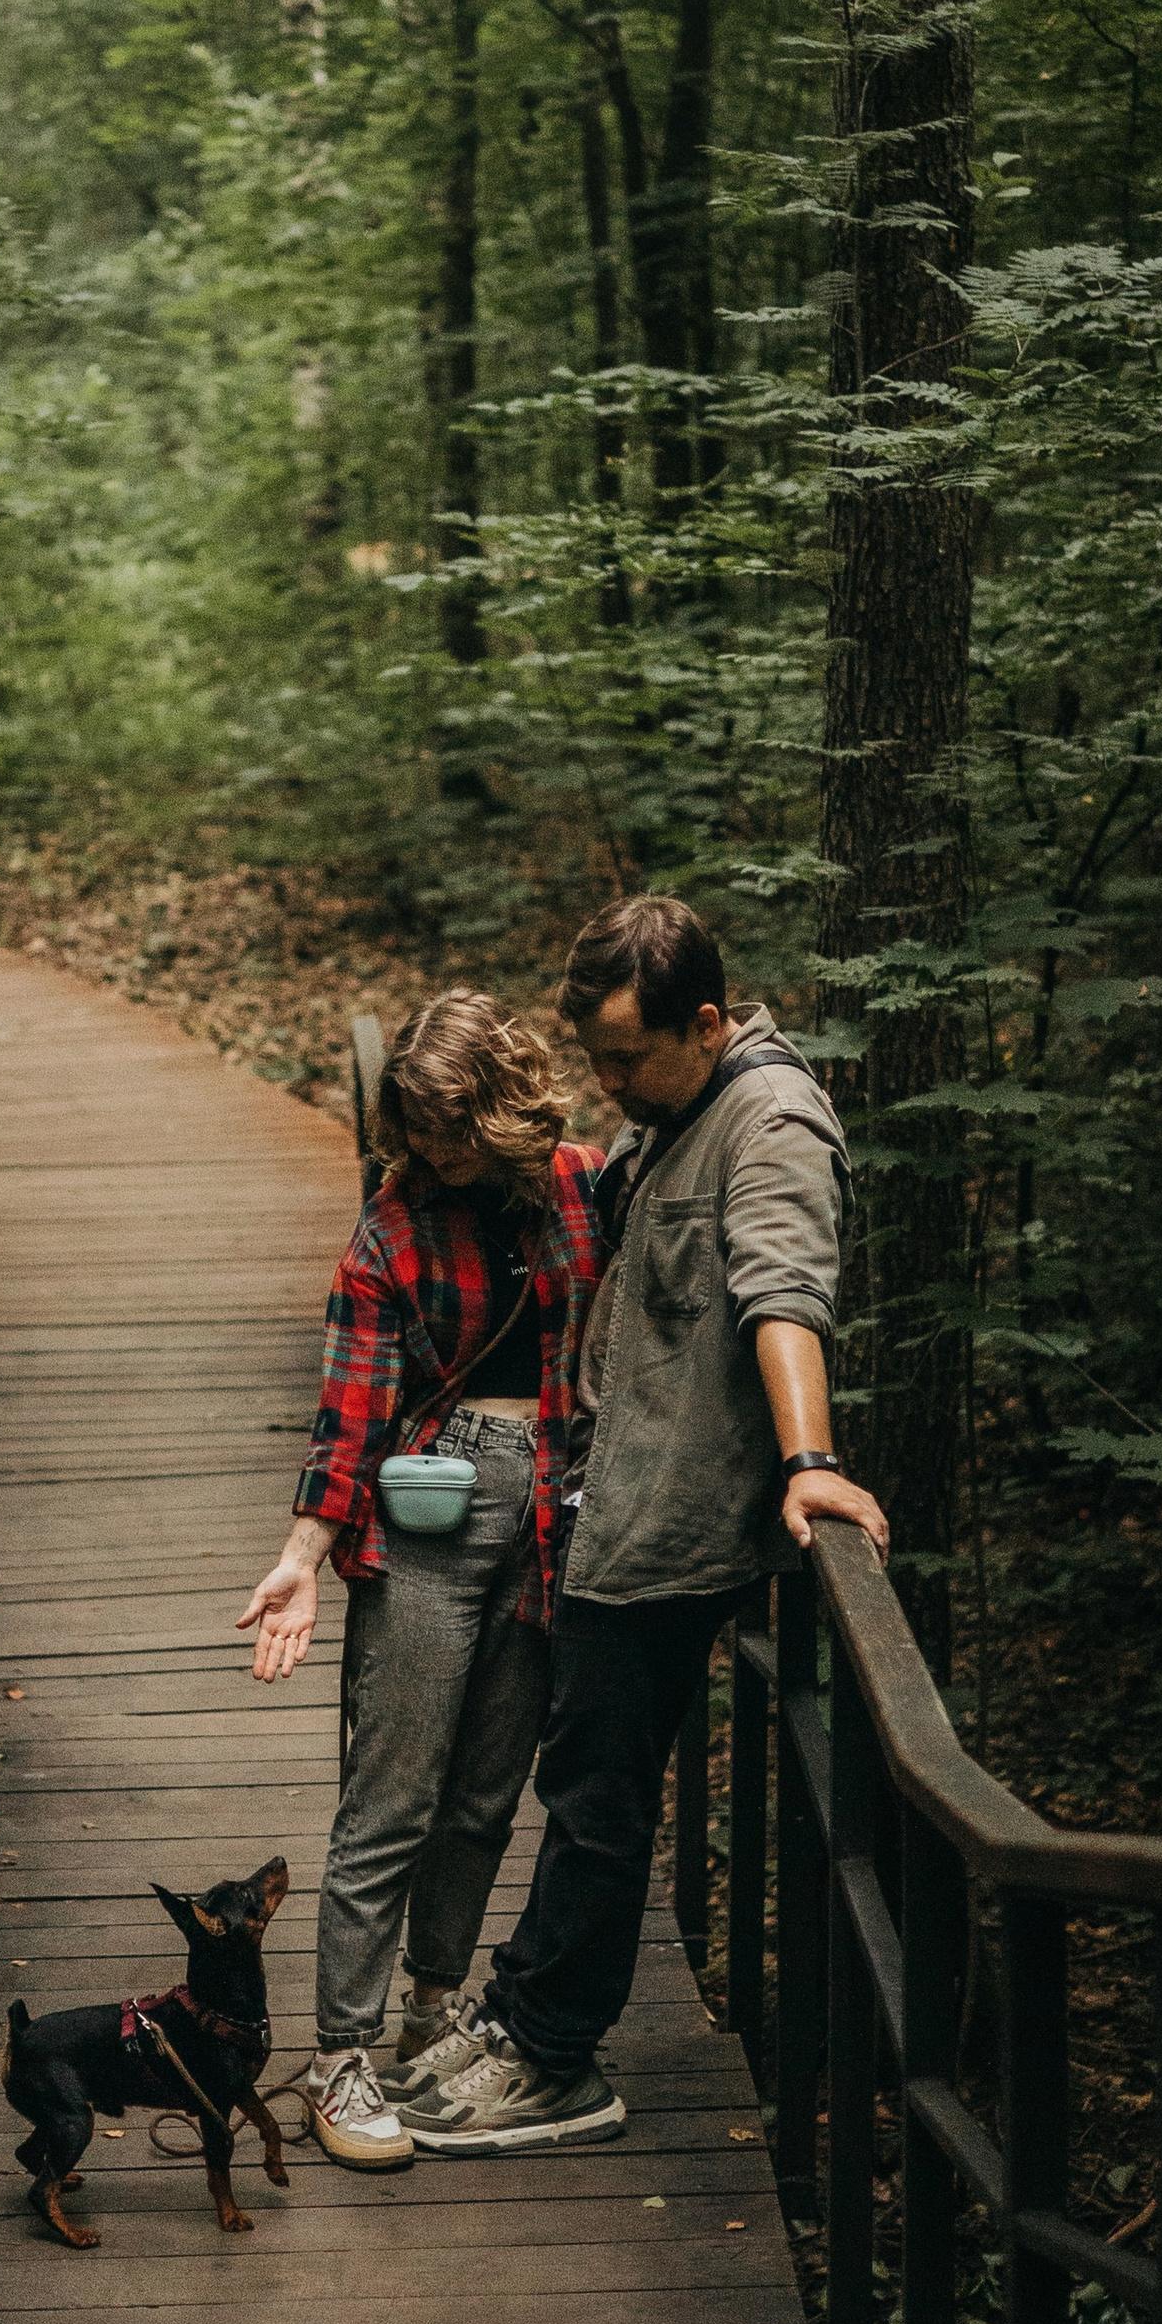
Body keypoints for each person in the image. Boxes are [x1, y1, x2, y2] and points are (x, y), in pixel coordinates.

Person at [396, 894, 890, 2154]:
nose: (608, 1082)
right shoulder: (676, 1112)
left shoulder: (765, 1123)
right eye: (597, 1055)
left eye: (628, 1055)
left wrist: (813, 1460)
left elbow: (782, 1295)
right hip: (615, 1497)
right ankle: (523, 2012)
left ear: (709, 1022)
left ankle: (555, 2058)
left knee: (599, 1792)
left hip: (675, 1517)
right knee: (584, 1777)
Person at [237, 991, 604, 2170]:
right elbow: (348, 1404)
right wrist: (302, 1555)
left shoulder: (585, 1186)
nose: (434, 1152)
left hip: (553, 1511)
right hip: (434, 1507)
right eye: (416, 1130)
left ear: (501, 1110)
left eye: (451, 1128)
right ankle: (340, 2053)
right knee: (390, 1792)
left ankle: (433, 2009)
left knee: (490, 1787)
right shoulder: (391, 1226)